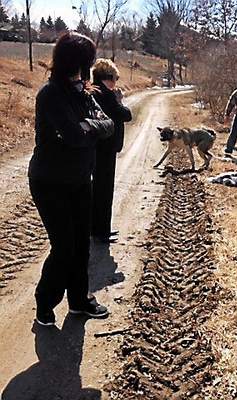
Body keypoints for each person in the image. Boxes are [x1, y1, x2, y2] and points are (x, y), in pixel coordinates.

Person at [28, 32, 114, 326]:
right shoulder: (50, 95)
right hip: (50, 182)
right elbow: (76, 136)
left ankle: (79, 301)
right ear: (72, 61)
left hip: (79, 179)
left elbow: (109, 124)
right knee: (64, 247)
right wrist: (89, 128)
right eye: (84, 61)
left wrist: (87, 124)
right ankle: (45, 302)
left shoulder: (84, 92)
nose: (86, 67)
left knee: (82, 245)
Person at [91, 58, 132, 243]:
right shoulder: (106, 95)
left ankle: (95, 228)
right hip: (105, 148)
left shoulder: (92, 91)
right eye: (115, 78)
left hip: (94, 147)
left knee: (96, 189)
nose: (115, 83)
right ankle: (102, 231)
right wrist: (119, 100)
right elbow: (126, 115)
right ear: (107, 78)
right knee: (104, 190)